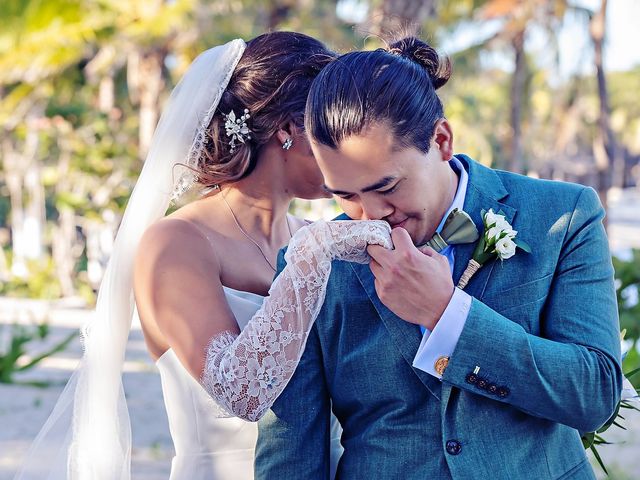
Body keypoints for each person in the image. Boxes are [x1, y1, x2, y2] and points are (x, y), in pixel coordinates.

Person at [15, 32, 393, 480]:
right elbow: (243, 392)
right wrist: (311, 257)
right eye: (331, 130)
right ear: (289, 129)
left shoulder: (317, 236)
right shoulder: (176, 243)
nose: (344, 147)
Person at [255, 36, 623, 479]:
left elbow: (595, 397)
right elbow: (289, 446)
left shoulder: (563, 216)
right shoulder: (313, 262)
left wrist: (447, 314)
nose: (372, 215)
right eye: (347, 194)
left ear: (441, 140)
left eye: (387, 187)